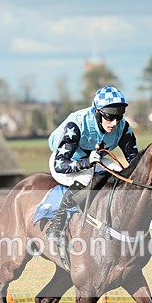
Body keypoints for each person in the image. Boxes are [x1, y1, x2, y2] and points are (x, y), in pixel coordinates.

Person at [45, 85, 139, 241]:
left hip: (95, 159)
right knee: (85, 177)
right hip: (67, 161)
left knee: (119, 173)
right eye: (109, 117)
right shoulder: (76, 125)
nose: (115, 123)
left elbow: (134, 161)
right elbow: (60, 165)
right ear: (97, 112)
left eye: (119, 116)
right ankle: (57, 223)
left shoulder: (123, 127)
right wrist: (86, 163)